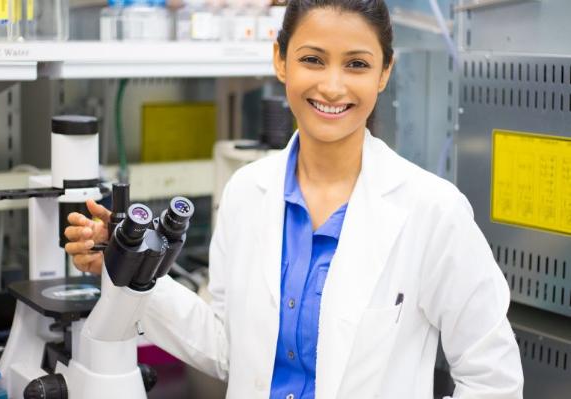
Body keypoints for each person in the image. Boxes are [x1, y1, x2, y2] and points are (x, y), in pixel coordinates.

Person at [64, 0, 524, 397]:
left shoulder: (432, 210)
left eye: (357, 64)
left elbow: (493, 379)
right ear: (280, 61)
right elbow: (229, 350)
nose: (332, 86)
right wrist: (130, 269)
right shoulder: (247, 191)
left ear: (385, 73)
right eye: (313, 59)